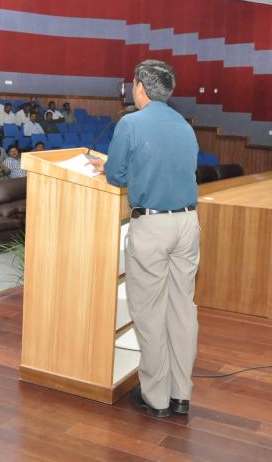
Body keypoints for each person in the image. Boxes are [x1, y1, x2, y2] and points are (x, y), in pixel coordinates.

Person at [85, 60, 200, 419]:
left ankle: (156, 397)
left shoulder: (131, 123)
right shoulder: (184, 124)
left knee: (149, 312)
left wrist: (110, 167)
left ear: (140, 88)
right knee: (182, 309)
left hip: (153, 226)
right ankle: (180, 394)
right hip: (188, 223)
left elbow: (117, 176)